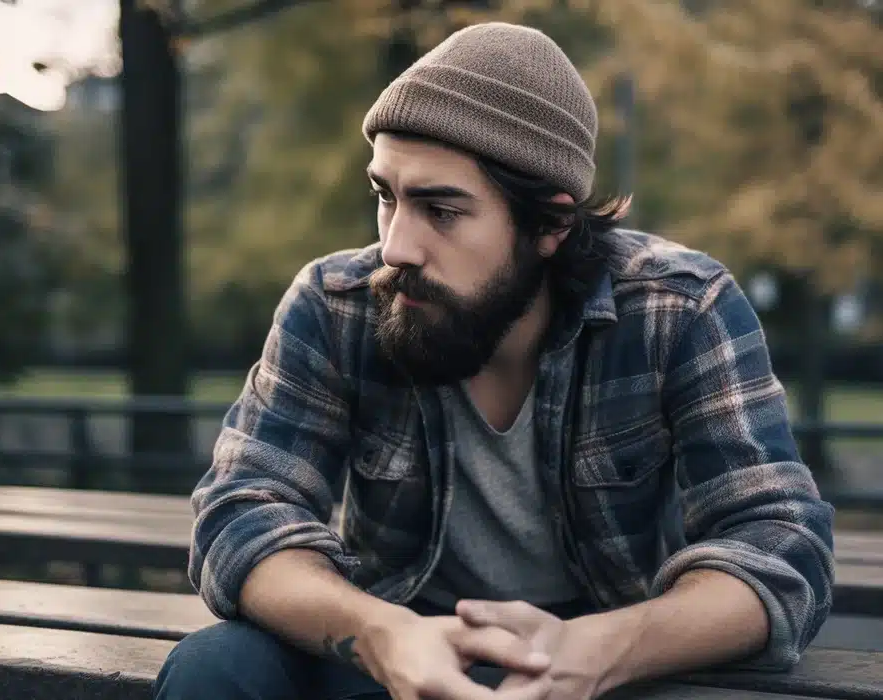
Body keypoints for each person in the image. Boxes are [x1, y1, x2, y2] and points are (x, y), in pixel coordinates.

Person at [155, 21, 835, 700]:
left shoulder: (679, 308)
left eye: (440, 211)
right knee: (217, 668)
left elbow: (780, 543)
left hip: (599, 657)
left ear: (551, 224)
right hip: (393, 636)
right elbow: (242, 510)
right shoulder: (337, 305)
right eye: (386, 197)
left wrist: (600, 650)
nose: (396, 247)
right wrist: (380, 634)